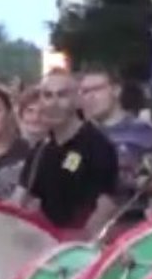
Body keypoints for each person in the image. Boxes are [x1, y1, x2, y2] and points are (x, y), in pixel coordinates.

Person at [15, 70, 118, 240]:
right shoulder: (41, 150)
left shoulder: (98, 145)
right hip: (48, 247)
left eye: (62, 95)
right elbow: (19, 200)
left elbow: (105, 208)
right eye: (47, 96)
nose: (54, 103)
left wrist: (76, 246)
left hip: (80, 252)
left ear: (77, 100)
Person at [79, 67, 152, 222]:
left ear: (116, 90)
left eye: (96, 89)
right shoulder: (78, 135)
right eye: (84, 92)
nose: (89, 97)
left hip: (129, 223)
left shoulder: (143, 132)